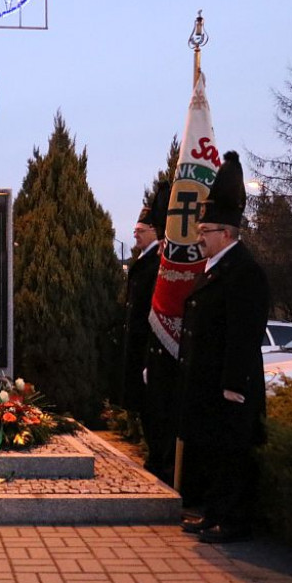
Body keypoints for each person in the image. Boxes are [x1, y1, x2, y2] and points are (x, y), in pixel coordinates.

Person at [177, 151, 269, 544]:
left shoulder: (244, 271)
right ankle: (213, 513)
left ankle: (233, 521)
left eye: (206, 230)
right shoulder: (217, 268)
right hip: (207, 381)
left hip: (229, 385)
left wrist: (234, 383)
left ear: (227, 233)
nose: (199, 236)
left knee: (233, 454)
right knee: (213, 452)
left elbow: (244, 332)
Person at [121, 181, 170, 483]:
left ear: (154, 231)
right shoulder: (143, 262)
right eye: (135, 230)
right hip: (138, 346)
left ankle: (159, 461)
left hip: (148, 347)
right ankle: (155, 457)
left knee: (154, 412)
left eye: (141, 230)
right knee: (144, 409)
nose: (135, 234)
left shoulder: (156, 264)